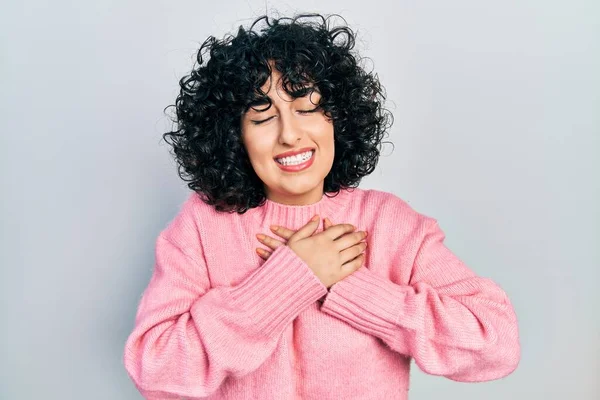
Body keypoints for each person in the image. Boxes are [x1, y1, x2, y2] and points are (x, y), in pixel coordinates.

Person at [123, 12, 520, 400]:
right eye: (262, 118)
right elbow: (156, 373)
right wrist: (290, 279)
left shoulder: (389, 224)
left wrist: (350, 287)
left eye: (306, 108)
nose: (290, 134)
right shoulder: (201, 227)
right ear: (234, 136)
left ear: (338, 117)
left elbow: (496, 344)